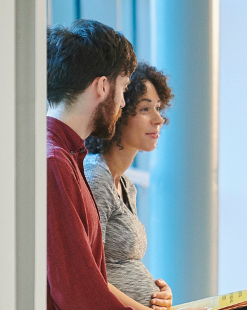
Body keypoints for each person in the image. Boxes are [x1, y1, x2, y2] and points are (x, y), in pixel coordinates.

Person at [46, 19, 136, 310]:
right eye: (123, 88)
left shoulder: (66, 157)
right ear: (102, 87)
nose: (123, 103)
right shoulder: (55, 163)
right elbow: (79, 294)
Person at [84, 63, 176, 310]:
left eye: (158, 108)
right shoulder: (96, 176)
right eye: (145, 109)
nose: (158, 119)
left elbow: (121, 266)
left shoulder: (126, 185)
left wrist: (159, 294)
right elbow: (90, 274)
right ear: (119, 112)